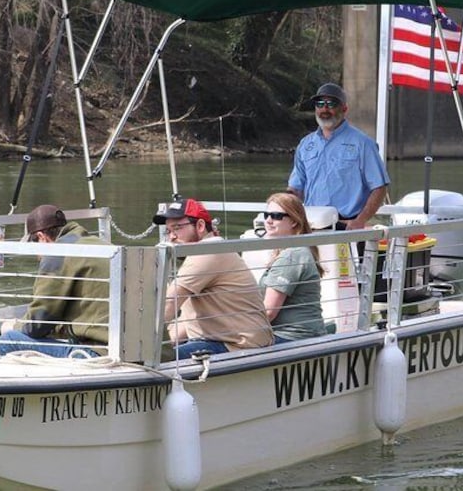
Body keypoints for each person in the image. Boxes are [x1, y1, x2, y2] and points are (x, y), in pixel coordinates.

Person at [155, 198, 273, 360]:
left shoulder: (206, 252)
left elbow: (168, 304)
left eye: (177, 228)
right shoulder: (210, 250)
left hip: (238, 346)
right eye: (168, 231)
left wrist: (138, 343)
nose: (172, 237)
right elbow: (187, 320)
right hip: (229, 342)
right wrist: (165, 342)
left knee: (152, 358)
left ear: (201, 226)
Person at [0, 205, 110, 358]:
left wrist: (11, 326)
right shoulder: (98, 243)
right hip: (121, 347)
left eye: (34, 245)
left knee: (8, 341)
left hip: (95, 353)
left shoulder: (57, 254)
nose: (36, 256)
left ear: (42, 237)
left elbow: (37, 325)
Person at [287, 83, 390, 231]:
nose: (325, 109)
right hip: (311, 224)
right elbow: (296, 188)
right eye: (320, 104)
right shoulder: (305, 144)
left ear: (344, 109)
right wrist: (283, 208)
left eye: (331, 104)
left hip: (347, 226)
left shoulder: (363, 144)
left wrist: (360, 221)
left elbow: (379, 188)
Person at [259, 192, 327, 343]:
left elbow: (269, 312)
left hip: (291, 337)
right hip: (303, 335)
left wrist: (233, 328)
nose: (269, 220)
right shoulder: (297, 250)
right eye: (266, 215)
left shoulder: (291, 255)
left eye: (276, 216)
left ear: (294, 222)